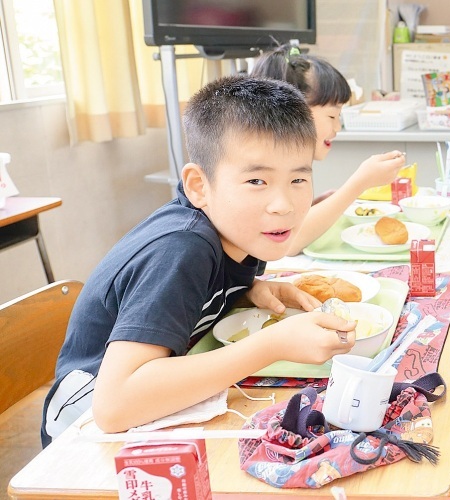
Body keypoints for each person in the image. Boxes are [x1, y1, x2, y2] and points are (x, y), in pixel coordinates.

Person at [41, 76, 359, 446]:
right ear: (198, 186)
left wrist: (249, 291)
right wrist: (272, 344)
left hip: (153, 410)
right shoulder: (182, 247)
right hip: (83, 440)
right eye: (257, 181)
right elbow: (112, 407)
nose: (283, 205)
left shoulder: (241, 235)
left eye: (298, 180)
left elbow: (196, 302)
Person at [250, 43, 408, 255]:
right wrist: (359, 183)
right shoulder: (263, 166)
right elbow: (289, 243)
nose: (337, 127)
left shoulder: (288, 162)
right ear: (294, 112)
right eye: (332, 116)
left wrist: (318, 205)